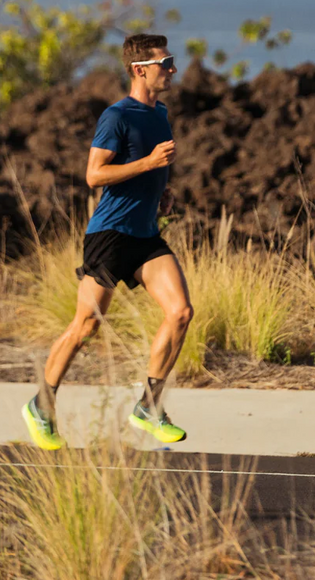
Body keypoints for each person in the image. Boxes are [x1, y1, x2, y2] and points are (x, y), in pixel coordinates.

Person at [21, 33, 193, 450]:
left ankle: (149, 407)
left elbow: (147, 173)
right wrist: (149, 163)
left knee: (181, 312)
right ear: (140, 70)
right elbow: (95, 175)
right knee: (86, 326)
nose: (172, 69)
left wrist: (161, 189)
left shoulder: (161, 113)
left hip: (146, 235)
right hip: (110, 234)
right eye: (165, 62)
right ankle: (41, 406)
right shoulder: (116, 116)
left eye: (171, 62)